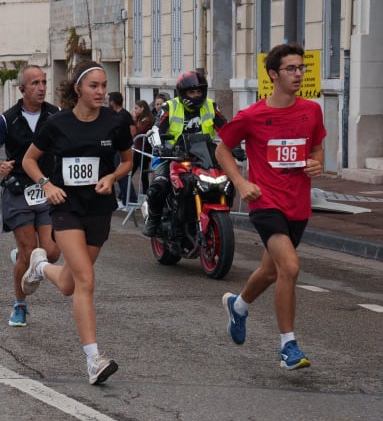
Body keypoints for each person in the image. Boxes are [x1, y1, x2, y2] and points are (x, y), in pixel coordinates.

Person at [19, 60, 133, 385]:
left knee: (69, 284)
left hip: (98, 208)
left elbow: (128, 161)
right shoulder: (57, 123)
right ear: (78, 89)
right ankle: (94, 359)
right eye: (94, 86)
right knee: (86, 280)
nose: (100, 91)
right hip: (65, 208)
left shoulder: (115, 122)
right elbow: (29, 160)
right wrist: (47, 185)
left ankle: (40, 266)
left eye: (104, 86)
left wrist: (111, 176)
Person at [216, 43, 326, 371]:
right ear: (274, 74)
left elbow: (318, 147)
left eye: (301, 68)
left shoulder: (311, 111)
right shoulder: (252, 115)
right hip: (264, 202)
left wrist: (317, 163)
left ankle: (238, 307)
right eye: (291, 69)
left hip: (297, 205)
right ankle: (287, 346)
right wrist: (241, 183)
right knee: (289, 267)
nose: (298, 74)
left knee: (269, 271)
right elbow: (223, 150)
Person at [0, 64, 61, 326]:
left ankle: (21, 257)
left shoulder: (55, 114)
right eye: (35, 83)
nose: (41, 88)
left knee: (51, 252)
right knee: (29, 254)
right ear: (22, 89)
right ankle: (19, 304)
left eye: (43, 82)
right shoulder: (8, 118)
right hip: (18, 190)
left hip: (47, 188)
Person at [141, 70, 229, 237]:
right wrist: (160, 147)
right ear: (182, 92)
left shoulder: (211, 106)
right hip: (171, 156)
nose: (196, 95)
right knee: (158, 187)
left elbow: (227, 129)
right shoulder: (170, 106)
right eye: (191, 91)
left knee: (224, 183)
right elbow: (155, 130)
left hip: (204, 157)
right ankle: (153, 220)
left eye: (199, 91)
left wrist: (236, 145)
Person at [128, 99, 156, 203]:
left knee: (143, 174)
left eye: (136, 108)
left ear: (142, 108)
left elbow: (139, 131)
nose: (134, 110)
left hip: (144, 150)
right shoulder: (141, 118)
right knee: (132, 172)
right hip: (139, 149)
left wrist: (134, 120)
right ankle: (128, 195)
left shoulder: (147, 119)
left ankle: (145, 196)